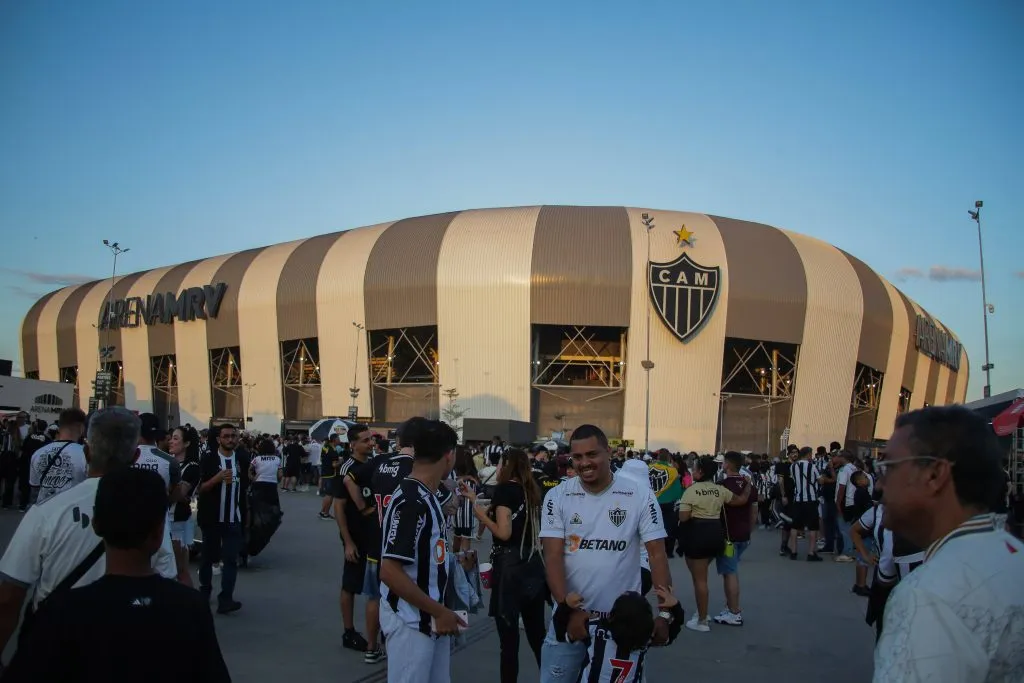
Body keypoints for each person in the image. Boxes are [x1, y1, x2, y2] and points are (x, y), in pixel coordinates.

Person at [2, 467, 231, 683]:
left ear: (95, 525)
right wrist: (182, 573)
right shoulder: (189, 608)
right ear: (160, 531)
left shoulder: (62, 611)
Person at [0, 407, 172, 656]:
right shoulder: (152, 514)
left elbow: (9, 596)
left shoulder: (47, 512)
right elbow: (165, 581)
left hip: (56, 645)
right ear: (135, 456)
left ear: (87, 451)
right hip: (127, 644)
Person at [873, 406, 1024, 683]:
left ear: (934, 475)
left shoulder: (928, 595)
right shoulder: (1013, 555)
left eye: (888, 467)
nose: (879, 484)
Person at [539, 424, 672, 683]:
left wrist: (666, 613)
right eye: (577, 457)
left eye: (592, 455)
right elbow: (552, 557)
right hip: (572, 622)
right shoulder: (557, 496)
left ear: (609, 452)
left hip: (620, 627)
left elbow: (657, 555)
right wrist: (568, 608)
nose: (584, 463)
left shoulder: (640, 495)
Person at [379, 420, 466, 683]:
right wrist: (439, 611)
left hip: (430, 620)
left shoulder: (426, 496)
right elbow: (389, 570)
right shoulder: (412, 501)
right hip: (411, 621)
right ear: (449, 455)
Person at [464, 448, 548, 683]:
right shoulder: (530, 490)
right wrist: (476, 500)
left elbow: (503, 532)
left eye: (500, 463)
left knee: (509, 643)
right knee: (537, 635)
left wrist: (480, 515)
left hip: (510, 570)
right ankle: (552, 677)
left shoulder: (504, 491)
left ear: (506, 465)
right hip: (533, 566)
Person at [677, 455, 750, 632]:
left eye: (694, 469)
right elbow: (740, 500)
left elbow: (683, 517)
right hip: (716, 534)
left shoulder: (691, 491)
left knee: (700, 580)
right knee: (700, 576)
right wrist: (748, 485)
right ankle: (702, 612)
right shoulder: (719, 489)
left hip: (697, 535)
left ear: (701, 472)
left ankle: (702, 620)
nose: (692, 472)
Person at [334, 424, 383, 662]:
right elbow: (339, 507)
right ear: (352, 444)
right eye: (365, 440)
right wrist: (348, 542)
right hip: (356, 536)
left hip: (375, 536)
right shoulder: (347, 469)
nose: (370, 444)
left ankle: (378, 629)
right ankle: (349, 631)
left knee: (377, 587)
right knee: (351, 584)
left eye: (371, 439)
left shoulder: (375, 464)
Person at [574, 588, 685, 682]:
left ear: (611, 616)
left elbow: (561, 631)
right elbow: (671, 634)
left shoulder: (596, 629)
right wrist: (675, 606)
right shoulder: (647, 639)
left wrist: (566, 605)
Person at [197, 424, 245, 614]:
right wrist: (215, 480)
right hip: (212, 518)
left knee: (231, 559)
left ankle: (226, 598)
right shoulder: (209, 459)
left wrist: (246, 516)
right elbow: (199, 488)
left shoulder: (242, 458)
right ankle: (204, 592)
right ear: (218, 439)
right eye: (226, 436)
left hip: (234, 518)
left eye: (234, 436)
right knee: (208, 558)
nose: (231, 439)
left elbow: (245, 487)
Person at [133, 413, 182, 581]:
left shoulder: (125, 458)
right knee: (165, 579)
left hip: (128, 526)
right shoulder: (170, 461)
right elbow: (176, 494)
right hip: (160, 527)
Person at [713, 451, 756, 626]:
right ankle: (730, 606)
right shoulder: (749, 485)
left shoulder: (722, 485)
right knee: (731, 570)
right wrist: (749, 531)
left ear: (727, 465)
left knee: (729, 573)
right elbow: (754, 511)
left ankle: (734, 611)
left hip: (728, 536)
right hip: (744, 535)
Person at [26, 408, 87, 507]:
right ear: (81, 427)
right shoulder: (85, 453)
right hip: (71, 514)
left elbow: (34, 489)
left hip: (44, 512)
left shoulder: (38, 453)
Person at [168, 426, 202, 586]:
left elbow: (181, 494)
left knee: (179, 569)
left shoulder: (192, 466)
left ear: (187, 443)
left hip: (178, 520)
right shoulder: (168, 461)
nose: (171, 441)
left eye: (176, 438)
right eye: (171, 438)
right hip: (164, 518)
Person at [785, 446, 825, 562]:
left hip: (798, 499)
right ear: (808, 454)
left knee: (795, 526)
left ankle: (794, 551)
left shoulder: (793, 466)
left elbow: (794, 480)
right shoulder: (812, 466)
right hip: (811, 499)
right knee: (813, 527)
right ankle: (811, 553)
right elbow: (820, 480)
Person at [649, 449, 683, 558]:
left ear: (658, 457)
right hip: (668, 502)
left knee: (653, 525)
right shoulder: (673, 470)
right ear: (668, 458)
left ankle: (653, 548)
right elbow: (677, 489)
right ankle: (668, 551)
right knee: (670, 526)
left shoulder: (649, 468)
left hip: (653, 501)